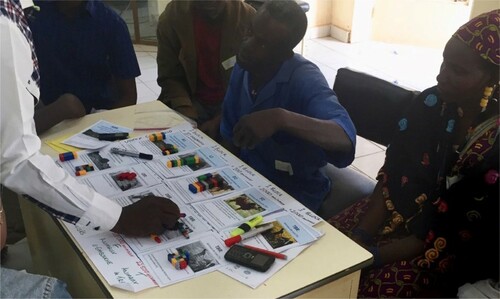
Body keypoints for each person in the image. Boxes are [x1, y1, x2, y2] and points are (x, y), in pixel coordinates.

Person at [1, 0, 180, 296]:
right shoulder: (13, 25)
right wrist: (117, 217)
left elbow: (127, 96)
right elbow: (17, 160)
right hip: (48, 135)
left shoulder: (109, 24)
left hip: (94, 131)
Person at [328, 9, 499, 297]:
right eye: (444, 62)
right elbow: (392, 173)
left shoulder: (492, 148)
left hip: (442, 248)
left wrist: (370, 258)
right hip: (394, 212)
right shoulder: (432, 102)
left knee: (365, 291)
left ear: (492, 79)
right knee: (321, 251)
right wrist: (360, 236)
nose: (441, 76)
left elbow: (451, 231)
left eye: (458, 71)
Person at [220, 0, 356, 212]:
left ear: (284, 53)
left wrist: (280, 119)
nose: (247, 44)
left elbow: (344, 137)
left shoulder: (304, 78)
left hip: (294, 192)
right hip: (249, 178)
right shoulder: (245, 66)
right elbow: (229, 134)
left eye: (262, 43)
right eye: (250, 31)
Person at [28, 0, 141, 134]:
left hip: (97, 123)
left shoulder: (111, 23)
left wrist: (101, 130)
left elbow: (128, 96)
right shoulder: (31, 16)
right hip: (44, 121)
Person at [156, 0, 256, 140]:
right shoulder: (172, 17)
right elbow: (169, 76)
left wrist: (222, 117)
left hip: (232, 104)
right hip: (190, 100)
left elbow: (255, 81)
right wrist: (186, 112)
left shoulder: (247, 17)